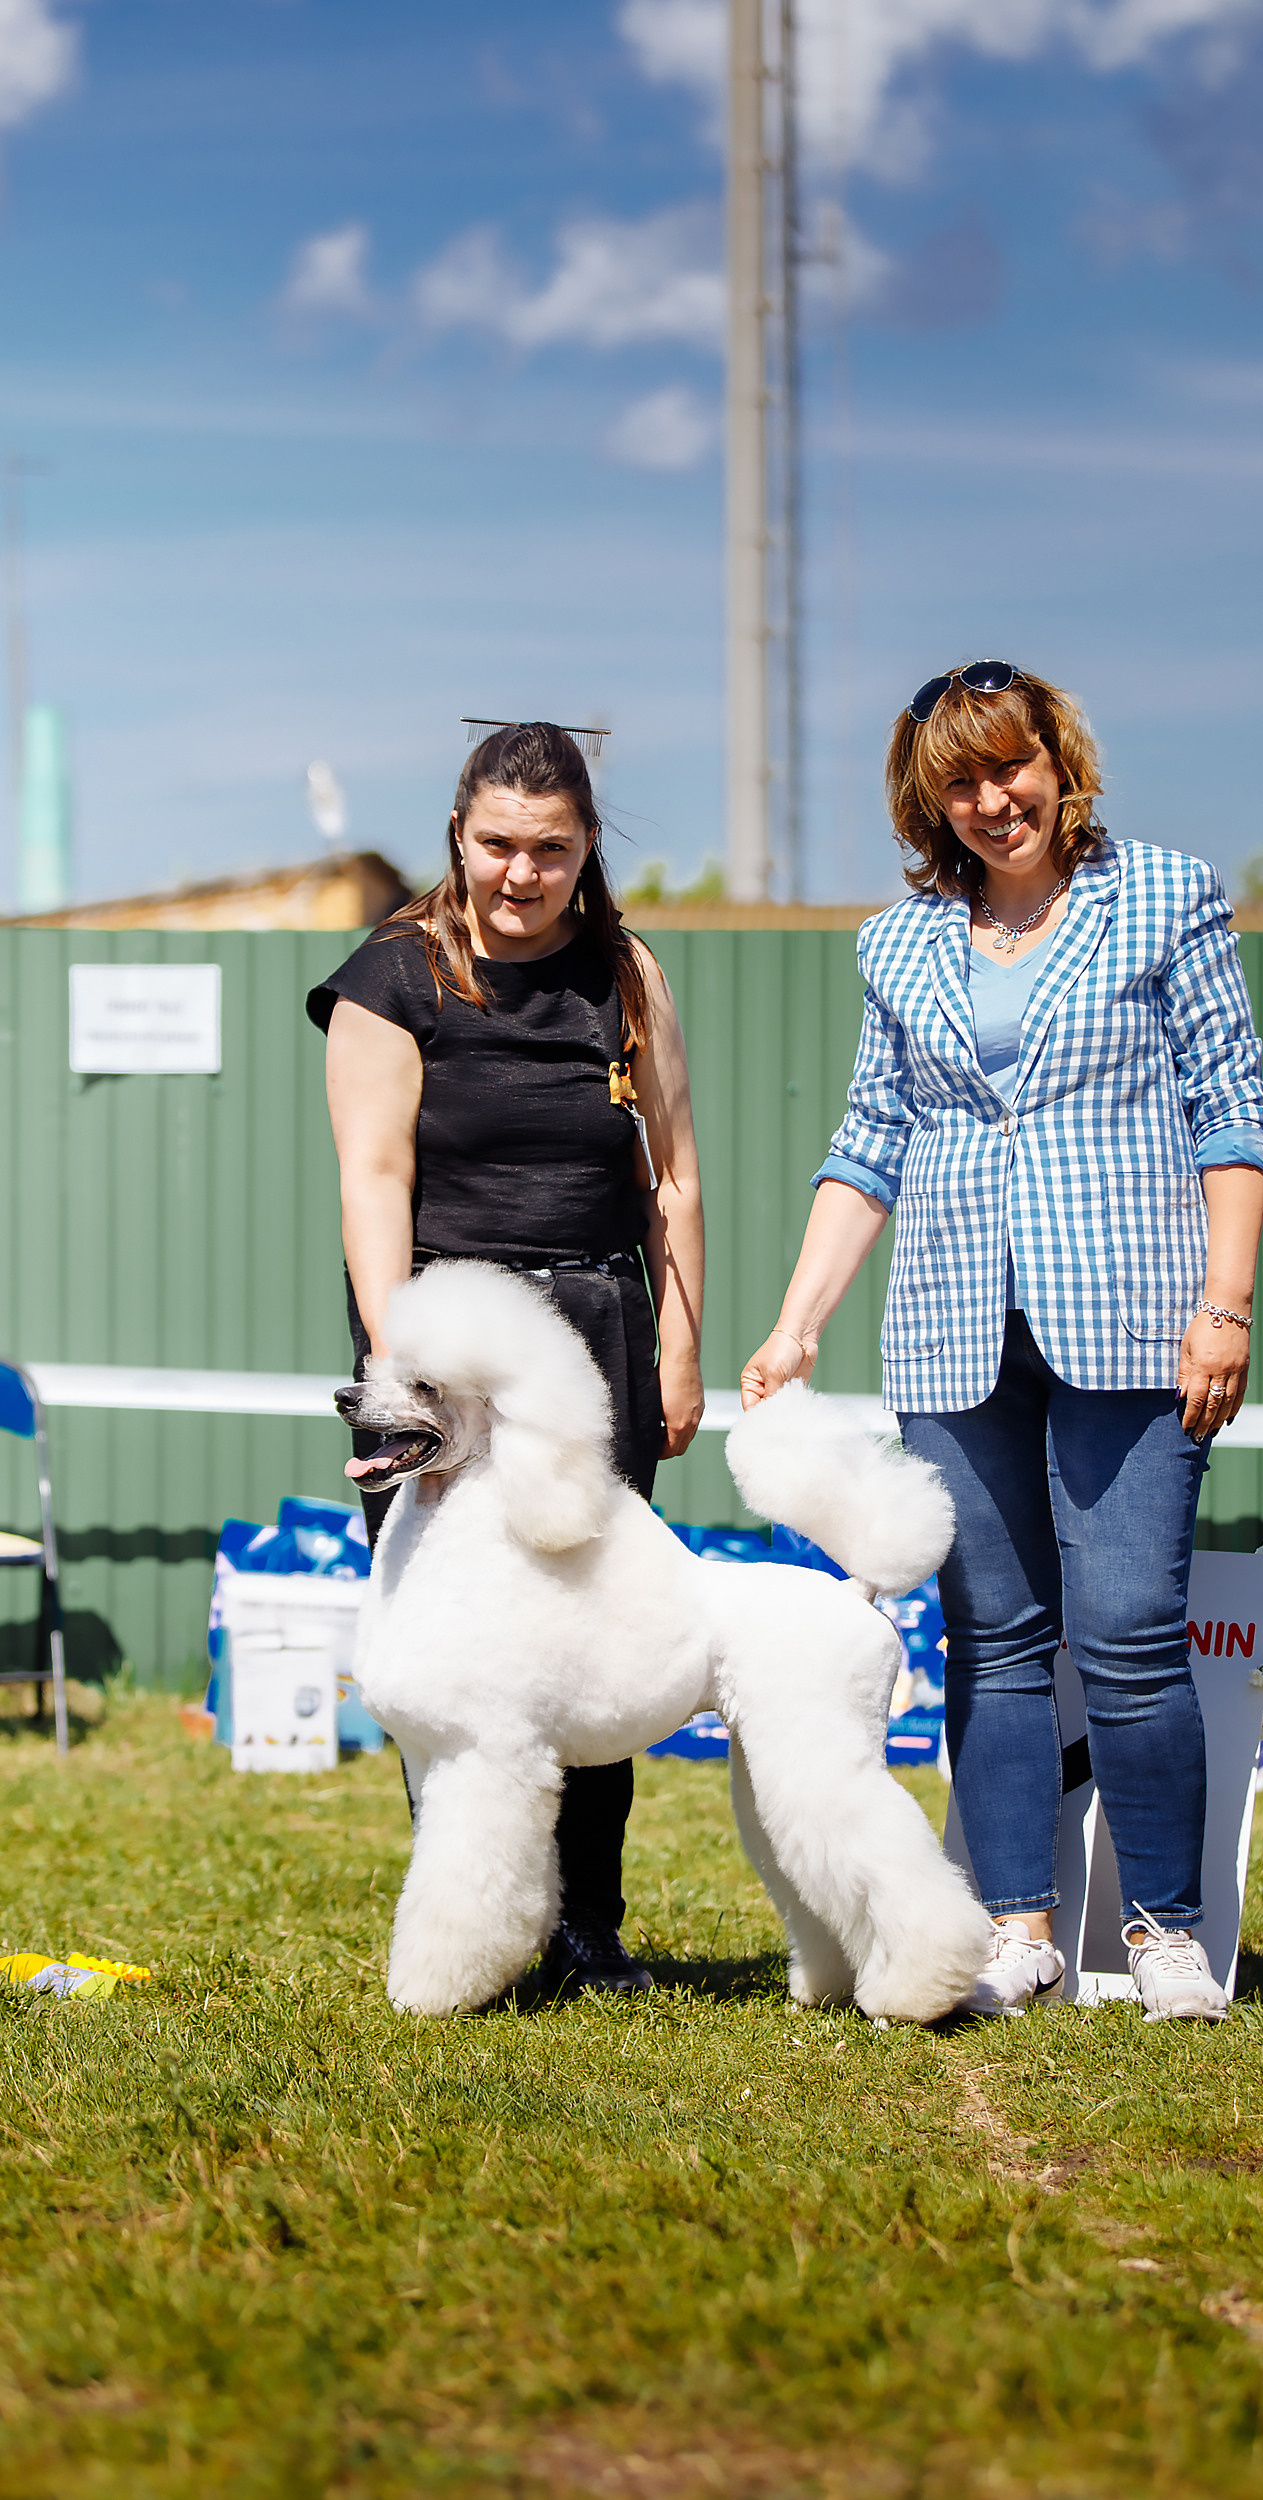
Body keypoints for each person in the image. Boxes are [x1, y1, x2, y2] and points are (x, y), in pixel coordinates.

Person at [741, 661, 1263, 2023]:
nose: (991, 800)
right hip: (949, 1330)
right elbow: (868, 1141)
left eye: (1009, 766)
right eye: (958, 783)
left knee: (1130, 1634)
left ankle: (1164, 1932)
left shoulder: (1165, 896)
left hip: (1134, 1322)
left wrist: (1223, 1306)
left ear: (1057, 761)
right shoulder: (894, 944)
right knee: (989, 1640)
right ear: (928, 805)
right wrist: (795, 1326)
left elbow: (1229, 1111)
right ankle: (1013, 1924)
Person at [307, 720, 704, 1994]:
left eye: (549, 848)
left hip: (595, 1336)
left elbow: (672, 1180)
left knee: (591, 1628)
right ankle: (473, 1928)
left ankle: (587, 1927)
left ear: (586, 848)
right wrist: (403, 1372)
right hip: (449, 1349)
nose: (520, 872)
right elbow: (375, 1180)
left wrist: (681, 1348)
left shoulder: (626, 973)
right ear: (458, 836)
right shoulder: (388, 978)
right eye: (496, 845)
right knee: (451, 1646)